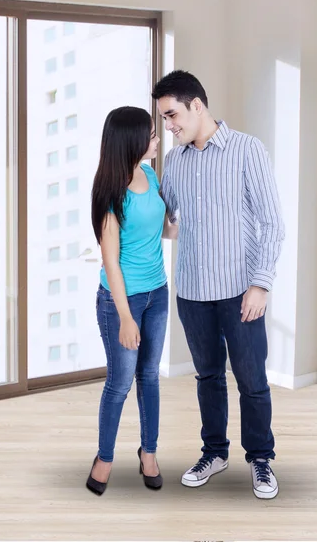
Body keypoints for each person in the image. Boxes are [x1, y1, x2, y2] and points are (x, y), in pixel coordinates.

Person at [154, 70, 285, 500]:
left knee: (251, 377)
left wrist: (261, 285)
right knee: (208, 376)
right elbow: (170, 222)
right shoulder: (174, 162)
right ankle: (214, 452)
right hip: (192, 292)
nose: (168, 125)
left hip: (240, 291)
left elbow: (272, 224)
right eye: (163, 118)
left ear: (197, 105)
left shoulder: (248, 150)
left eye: (172, 114)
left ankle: (261, 459)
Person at [86, 106, 175, 496]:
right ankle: (105, 456)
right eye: (152, 135)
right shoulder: (111, 194)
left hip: (158, 293)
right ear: (132, 141)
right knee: (120, 382)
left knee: (150, 376)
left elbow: (164, 230)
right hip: (120, 300)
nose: (158, 139)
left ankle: (149, 452)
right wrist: (125, 316)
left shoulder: (150, 173)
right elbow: (111, 261)